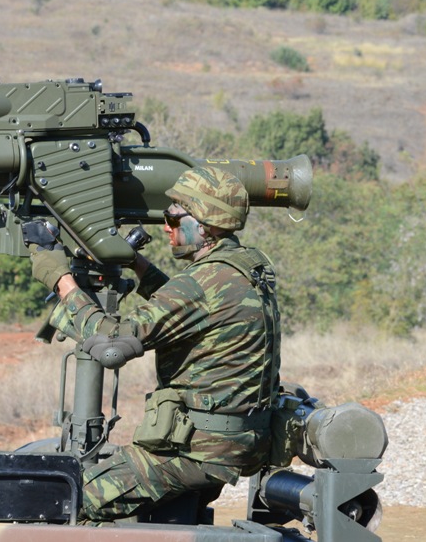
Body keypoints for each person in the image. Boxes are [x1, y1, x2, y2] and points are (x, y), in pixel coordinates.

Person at [31, 166, 281, 523]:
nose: (166, 227)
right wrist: (135, 262)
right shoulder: (243, 268)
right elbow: (186, 309)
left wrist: (61, 280)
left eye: (173, 219)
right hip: (237, 444)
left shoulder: (200, 283)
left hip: (196, 452)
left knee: (63, 499)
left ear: (205, 226)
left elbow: (111, 347)